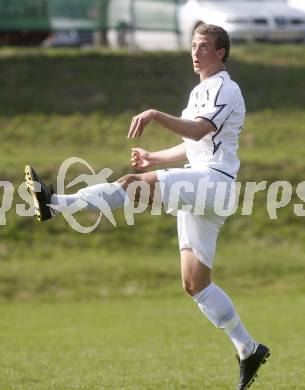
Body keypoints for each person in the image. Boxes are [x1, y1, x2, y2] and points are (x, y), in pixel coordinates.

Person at [25, 23, 269, 389]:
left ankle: (54, 203)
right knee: (195, 284)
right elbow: (192, 144)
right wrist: (154, 157)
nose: (196, 51)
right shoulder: (200, 90)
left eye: (203, 46)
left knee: (131, 186)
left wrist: (155, 114)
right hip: (199, 181)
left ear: (221, 53)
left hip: (214, 182)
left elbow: (199, 130)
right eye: (193, 45)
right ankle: (248, 349)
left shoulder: (226, 88)